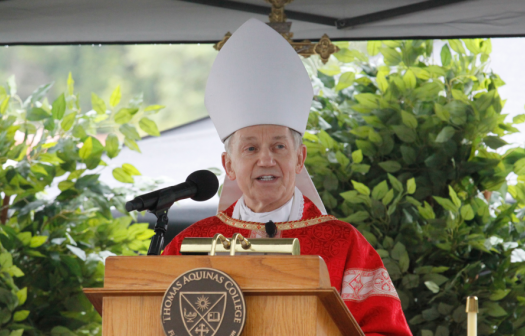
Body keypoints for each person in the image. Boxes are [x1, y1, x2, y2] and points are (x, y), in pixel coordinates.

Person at [163, 18, 412, 336]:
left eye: (279, 146)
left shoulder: (343, 245)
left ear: (299, 158)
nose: (266, 159)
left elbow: (387, 331)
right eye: (251, 148)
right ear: (228, 165)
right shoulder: (190, 245)